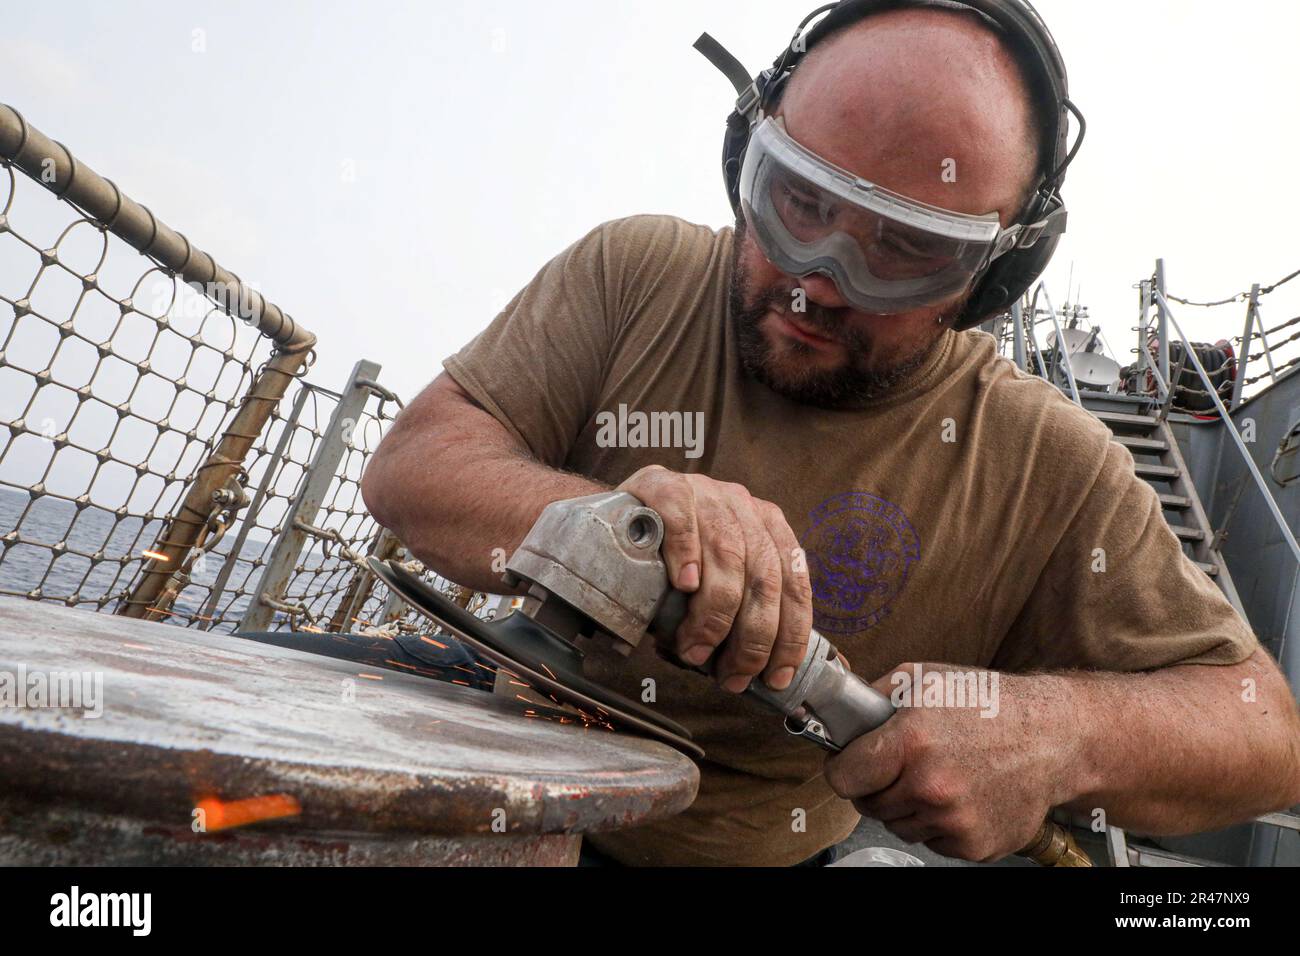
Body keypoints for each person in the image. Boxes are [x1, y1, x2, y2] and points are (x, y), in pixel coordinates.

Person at [362, 0, 1300, 865]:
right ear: (747, 154)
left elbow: (1264, 734)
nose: (816, 279)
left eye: (903, 249)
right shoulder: (635, 273)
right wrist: (602, 525)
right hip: (493, 761)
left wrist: (1054, 733)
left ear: (992, 279)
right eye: (799, 202)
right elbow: (414, 468)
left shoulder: (1046, 466)